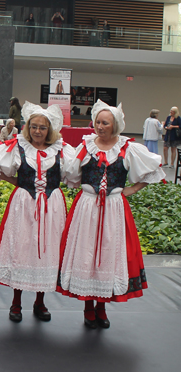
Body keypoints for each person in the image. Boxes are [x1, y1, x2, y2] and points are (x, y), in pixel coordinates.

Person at [57, 100, 165, 329]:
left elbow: (152, 170)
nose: (100, 126)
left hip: (114, 208)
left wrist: (131, 189)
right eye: (97, 122)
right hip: (87, 207)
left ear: (115, 125)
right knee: (85, 252)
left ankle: (102, 307)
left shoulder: (127, 148)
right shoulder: (86, 146)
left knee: (109, 254)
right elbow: (71, 175)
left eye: (105, 123)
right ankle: (88, 306)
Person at [0, 103, 75, 322]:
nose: (37, 131)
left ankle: (40, 301)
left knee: (46, 250)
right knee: (22, 249)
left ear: (49, 130)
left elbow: (74, 173)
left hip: (51, 205)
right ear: (27, 127)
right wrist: (14, 181)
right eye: (33, 126)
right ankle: (16, 302)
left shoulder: (61, 149)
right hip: (24, 203)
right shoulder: (18, 146)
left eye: (42, 128)